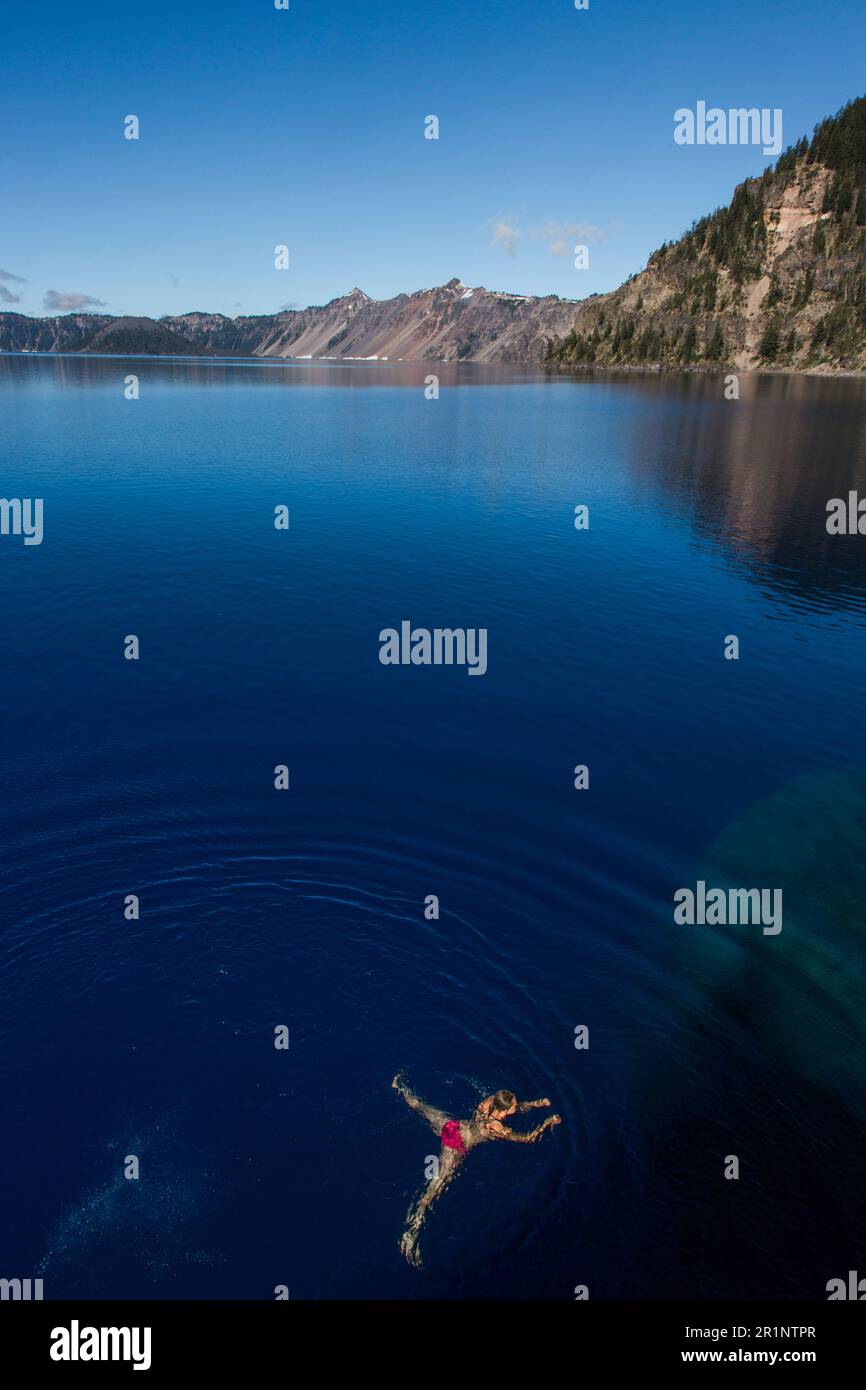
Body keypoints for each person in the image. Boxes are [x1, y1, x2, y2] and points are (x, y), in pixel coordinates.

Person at [392, 1073, 561, 1267]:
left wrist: (537, 1103)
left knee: (421, 1107)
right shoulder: (498, 1128)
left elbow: (516, 1106)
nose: (518, 1106)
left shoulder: (488, 1102)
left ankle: (399, 1087)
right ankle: (410, 1234)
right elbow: (527, 1138)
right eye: (514, 1106)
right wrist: (546, 1123)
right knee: (432, 1191)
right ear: (504, 1112)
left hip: (452, 1127)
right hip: (455, 1147)